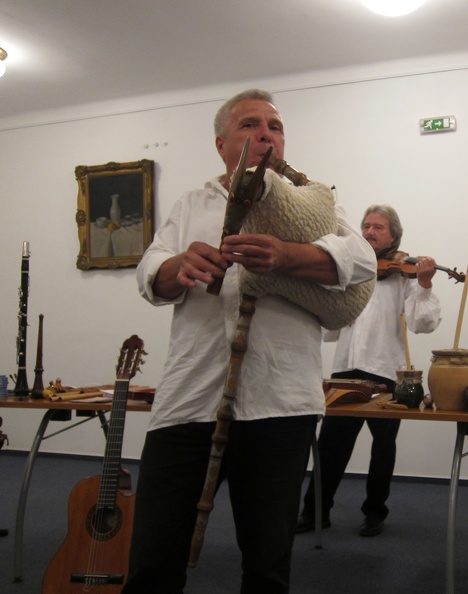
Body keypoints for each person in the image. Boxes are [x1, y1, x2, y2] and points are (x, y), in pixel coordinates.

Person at [124, 89, 377, 593]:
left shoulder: (313, 202)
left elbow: (364, 261)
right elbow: (149, 272)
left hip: (279, 404)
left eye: (275, 127)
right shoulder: (191, 203)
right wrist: (179, 265)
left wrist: (286, 255)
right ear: (221, 143)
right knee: (152, 561)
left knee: (266, 568)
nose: (266, 134)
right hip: (188, 400)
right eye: (250, 125)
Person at [297, 205, 441, 537]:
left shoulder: (404, 276)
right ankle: (315, 512)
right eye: (366, 226)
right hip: (346, 369)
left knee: (383, 447)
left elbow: (423, 323)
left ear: (394, 236)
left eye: (378, 227)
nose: (370, 231)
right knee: (330, 446)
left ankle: (375, 512)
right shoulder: (351, 272)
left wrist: (424, 283)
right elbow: (330, 329)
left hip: (386, 372)